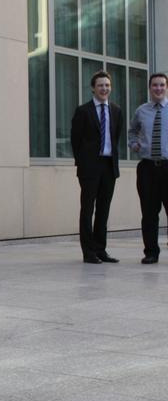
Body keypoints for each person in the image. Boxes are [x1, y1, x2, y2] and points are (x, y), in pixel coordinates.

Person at [70, 70, 122, 264]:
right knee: (87, 209)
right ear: (93, 88)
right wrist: (82, 163)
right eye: (100, 85)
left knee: (104, 209)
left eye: (107, 85)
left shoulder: (116, 110)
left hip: (109, 166)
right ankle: (88, 252)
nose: (104, 88)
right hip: (89, 168)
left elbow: (115, 138)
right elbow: (76, 140)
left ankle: (101, 249)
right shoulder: (83, 111)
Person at [128, 72, 168, 264]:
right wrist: (134, 144)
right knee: (149, 213)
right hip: (147, 169)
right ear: (149, 88)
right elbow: (132, 131)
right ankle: (151, 252)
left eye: (162, 85)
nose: (158, 88)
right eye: (155, 85)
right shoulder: (141, 111)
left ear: (166, 87)